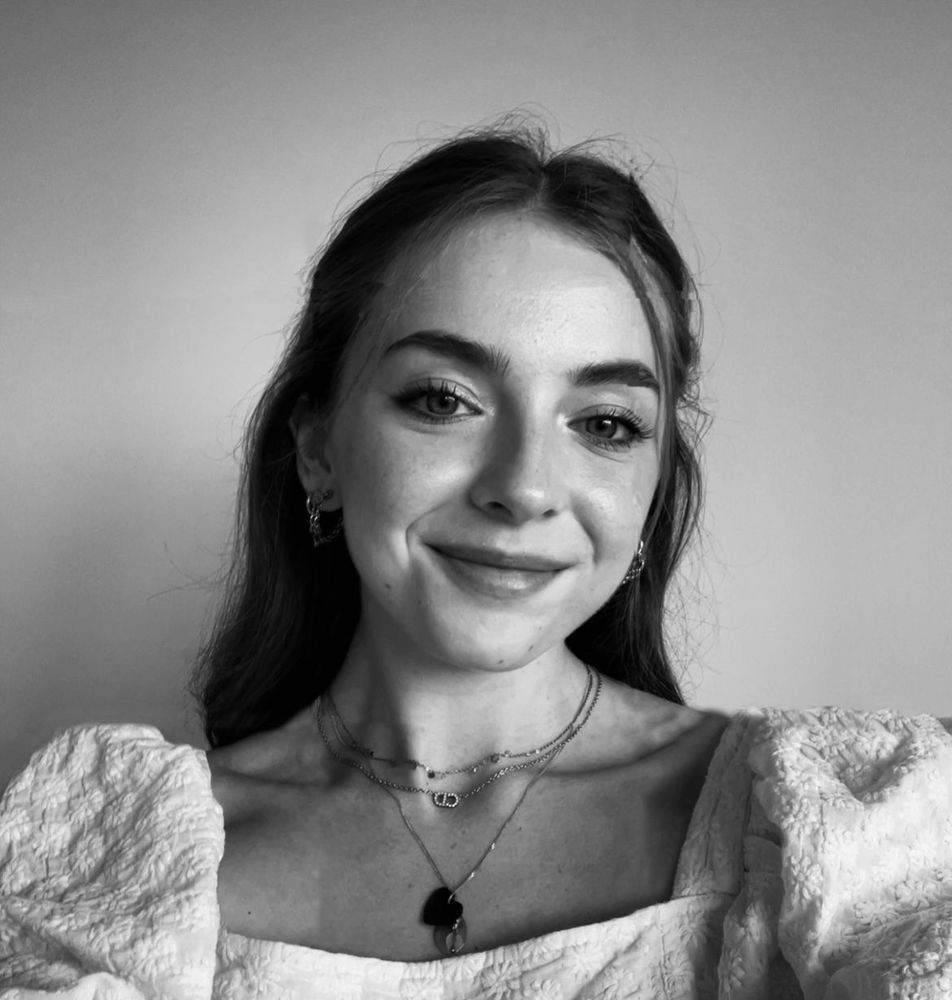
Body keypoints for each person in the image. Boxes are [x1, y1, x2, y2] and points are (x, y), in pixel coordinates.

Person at [1, 124, 950, 1000]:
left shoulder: (823, 836)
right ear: (319, 448)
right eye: (444, 400)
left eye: (605, 423)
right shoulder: (116, 867)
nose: (524, 488)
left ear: (655, 485)